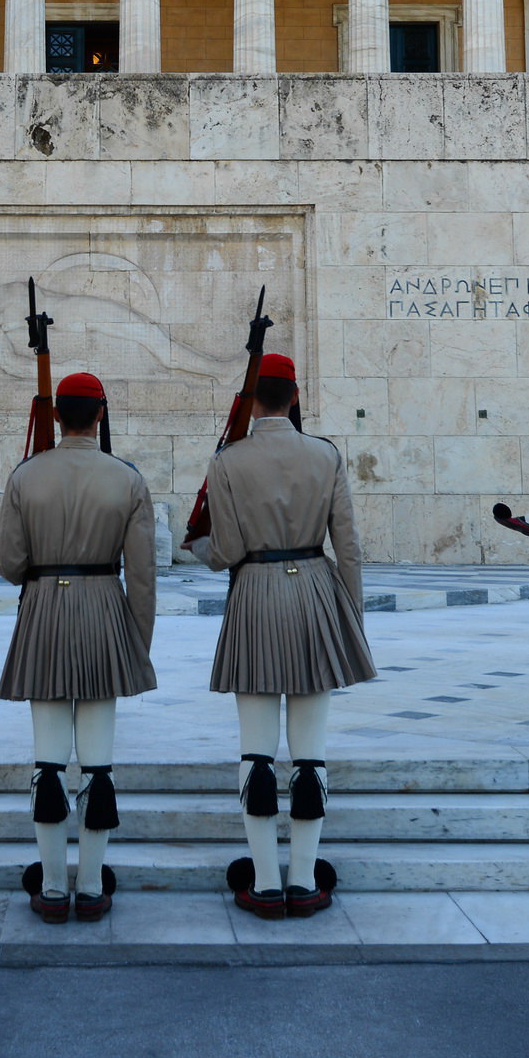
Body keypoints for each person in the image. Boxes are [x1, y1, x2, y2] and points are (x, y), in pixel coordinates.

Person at [196, 354, 373, 920]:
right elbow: (348, 548)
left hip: (255, 594)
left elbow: (222, 552)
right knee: (310, 752)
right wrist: (352, 620)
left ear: (251, 401)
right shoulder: (326, 454)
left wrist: (196, 548)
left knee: (255, 748)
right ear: (294, 397)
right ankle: (304, 877)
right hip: (317, 593)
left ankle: (265, 883)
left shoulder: (228, 461)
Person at [0, 372, 156, 923]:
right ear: (101, 414)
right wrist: (137, 647)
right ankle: (91, 885)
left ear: (58, 416)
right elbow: (143, 574)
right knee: (98, 763)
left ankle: (53, 888)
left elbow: (11, 566)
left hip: (44, 612)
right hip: (105, 611)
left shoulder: (25, 476)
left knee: (47, 760)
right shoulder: (127, 479)